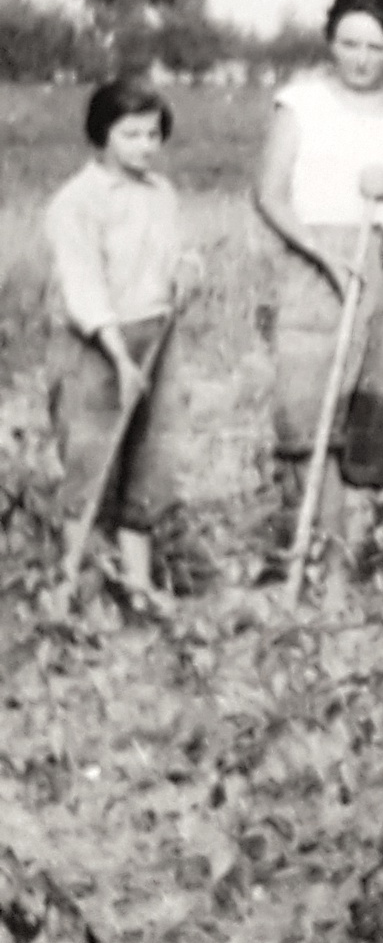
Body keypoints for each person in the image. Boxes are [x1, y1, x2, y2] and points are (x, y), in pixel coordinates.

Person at [254, 0, 383, 553]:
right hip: (319, 258)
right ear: (330, 41)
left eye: (376, 48)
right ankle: (317, 550)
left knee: (381, 400)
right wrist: (321, 255)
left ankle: (352, 554)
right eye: (349, 44)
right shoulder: (301, 104)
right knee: (308, 403)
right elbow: (269, 193)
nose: (360, 59)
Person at [44, 76, 189, 597]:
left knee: (147, 464)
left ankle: (138, 584)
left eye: (153, 135)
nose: (145, 147)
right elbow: (83, 285)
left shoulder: (161, 193)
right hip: (97, 344)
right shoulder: (78, 200)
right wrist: (120, 359)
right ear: (102, 135)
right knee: (90, 462)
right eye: (131, 135)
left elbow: (167, 261)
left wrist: (187, 273)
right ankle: (78, 587)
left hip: (156, 335)